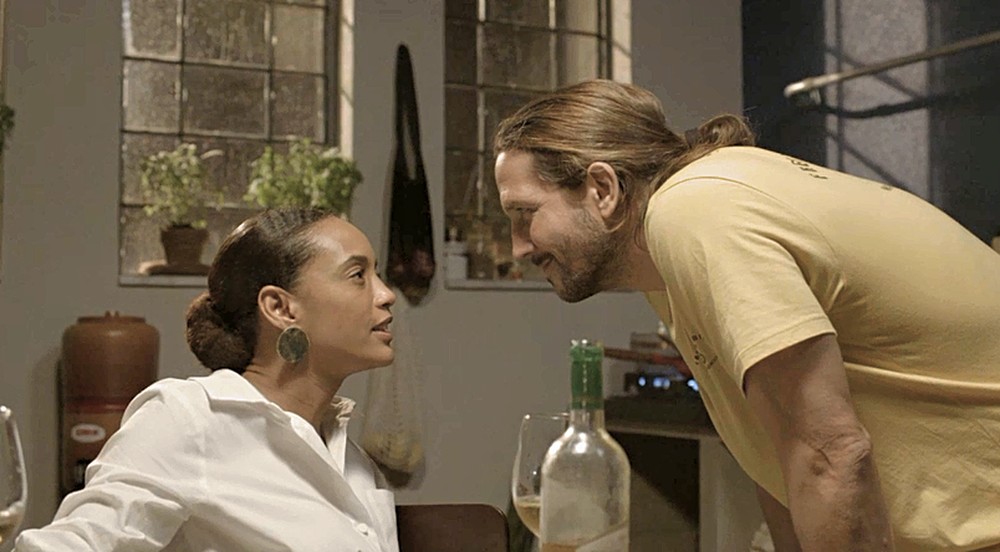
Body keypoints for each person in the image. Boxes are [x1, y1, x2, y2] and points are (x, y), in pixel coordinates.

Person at [492, 79, 1000, 551]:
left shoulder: (695, 213)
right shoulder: (669, 252)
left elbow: (830, 453)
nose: (518, 248)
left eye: (525, 215)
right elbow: (779, 452)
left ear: (602, 189)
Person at [16, 209, 400, 551]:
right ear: (281, 308)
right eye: (357, 275)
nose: (386, 294)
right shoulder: (190, 418)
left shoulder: (353, 462)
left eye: (377, 274)